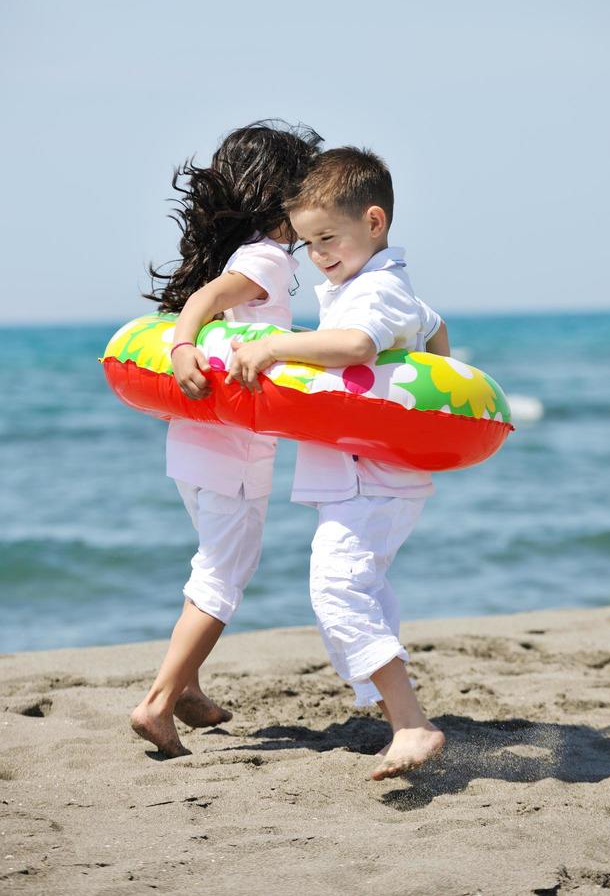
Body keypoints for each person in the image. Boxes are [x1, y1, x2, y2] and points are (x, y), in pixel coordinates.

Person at [227, 147, 449, 780]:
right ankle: (398, 717)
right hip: (360, 472)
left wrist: (275, 345)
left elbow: (355, 344)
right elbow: (434, 325)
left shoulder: (377, 289)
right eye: (307, 244)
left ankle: (412, 725)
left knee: (336, 587)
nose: (318, 254)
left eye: (329, 237)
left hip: (371, 474)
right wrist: (430, 380)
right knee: (359, 590)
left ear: (373, 222)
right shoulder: (368, 284)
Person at [131, 120, 322, 758]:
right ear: (281, 197)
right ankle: (158, 702)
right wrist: (185, 342)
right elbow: (209, 302)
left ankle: (186, 689)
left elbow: (211, 297)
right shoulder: (265, 257)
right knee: (226, 571)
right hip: (234, 448)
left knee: (214, 557)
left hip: (193, 442)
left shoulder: (236, 253)